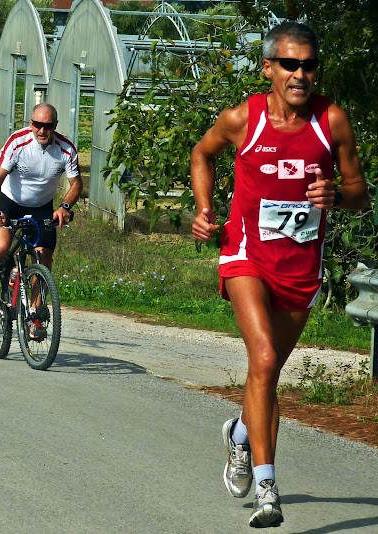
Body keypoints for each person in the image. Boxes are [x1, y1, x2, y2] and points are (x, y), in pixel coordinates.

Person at [190, 21, 369, 529]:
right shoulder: (242, 119)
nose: (300, 73)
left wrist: (336, 195)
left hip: (300, 266)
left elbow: (361, 193)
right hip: (246, 254)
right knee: (263, 356)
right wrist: (205, 209)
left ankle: (240, 435)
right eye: (289, 63)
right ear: (268, 67)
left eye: (309, 64)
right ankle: (268, 487)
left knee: (265, 374)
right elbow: (202, 154)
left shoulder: (331, 121)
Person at [0, 102, 82, 333]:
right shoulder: (17, 142)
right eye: (37, 124)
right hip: (10, 203)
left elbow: (76, 185)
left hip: (42, 207)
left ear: (55, 126)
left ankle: (35, 316)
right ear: (30, 123)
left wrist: (65, 206)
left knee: (44, 258)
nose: (42, 131)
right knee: (1, 247)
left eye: (47, 126)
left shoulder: (66, 149)